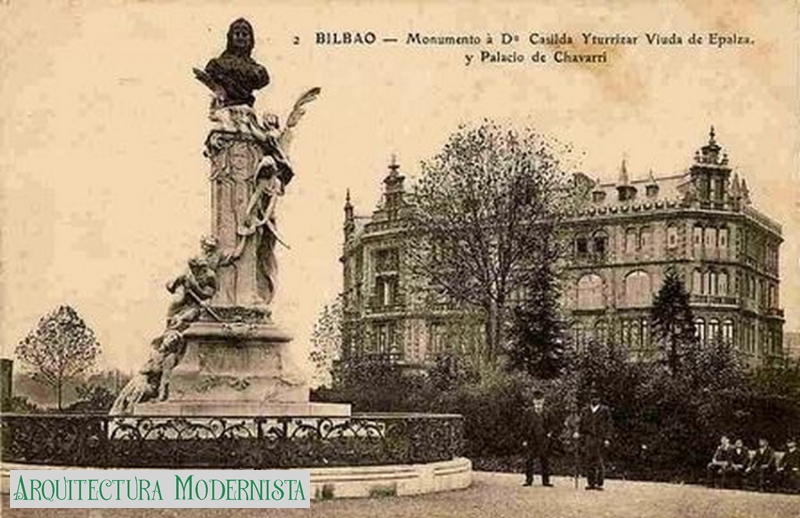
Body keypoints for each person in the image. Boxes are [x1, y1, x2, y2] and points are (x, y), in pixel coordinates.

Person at [575, 391, 613, 490]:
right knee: (589, 461)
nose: (594, 399)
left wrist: (607, 438)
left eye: (596, 397)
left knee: (599, 460)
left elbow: (609, 425)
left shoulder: (605, 410)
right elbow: (581, 424)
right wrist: (578, 433)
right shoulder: (585, 410)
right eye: (592, 397)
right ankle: (591, 483)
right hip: (589, 437)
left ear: (599, 399)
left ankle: (599, 483)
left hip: (600, 438)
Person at [522, 389, 559, 487]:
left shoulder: (548, 412)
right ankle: (528, 480)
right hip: (531, 439)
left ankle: (546, 481)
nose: (538, 404)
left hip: (543, 439)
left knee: (545, 460)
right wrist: (524, 439)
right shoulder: (528, 412)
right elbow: (524, 427)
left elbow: (554, 425)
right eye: (536, 402)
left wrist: (550, 433)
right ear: (533, 402)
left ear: (543, 401)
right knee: (529, 460)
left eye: (540, 402)